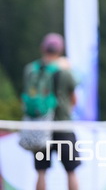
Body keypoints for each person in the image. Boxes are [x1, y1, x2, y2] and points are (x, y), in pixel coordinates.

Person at [22, 33, 80, 190]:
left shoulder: (31, 70)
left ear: (43, 48)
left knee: (41, 172)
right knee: (71, 172)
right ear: (60, 50)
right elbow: (74, 98)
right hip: (62, 126)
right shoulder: (65, 71)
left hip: (39, 127)